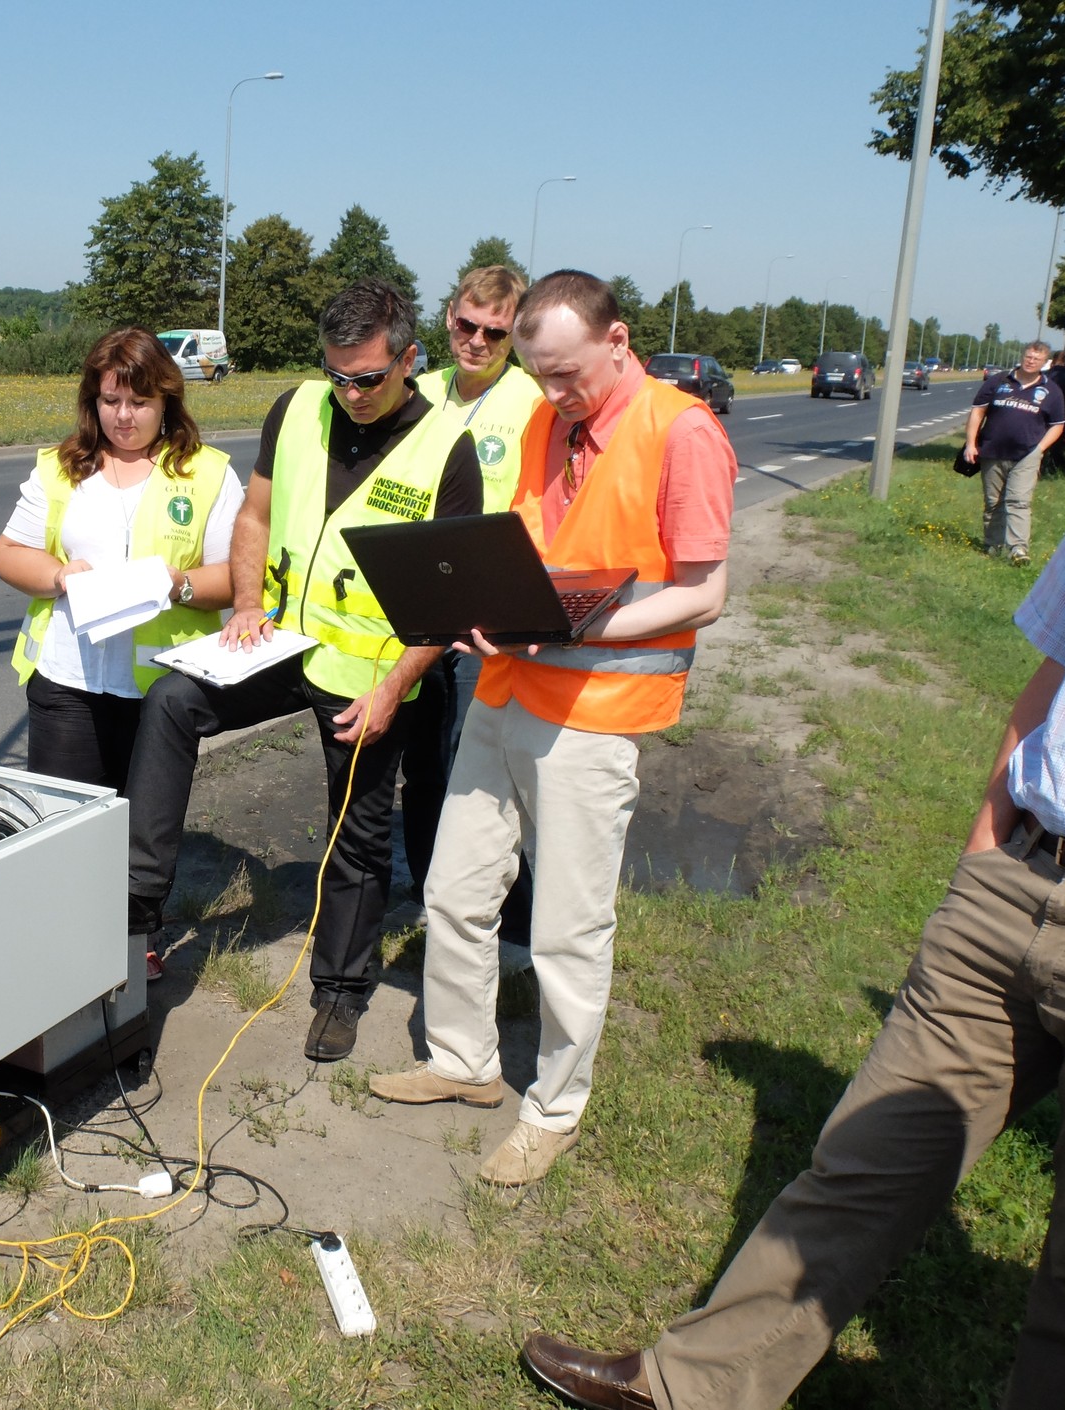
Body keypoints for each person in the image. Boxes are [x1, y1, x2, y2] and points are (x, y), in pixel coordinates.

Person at [519, 259, 1065, 1410]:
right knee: (857, 1168)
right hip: (1015, 877)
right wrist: (991, 835)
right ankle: (694, 1387)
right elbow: (1055, 658)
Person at [368, 270, 736, 1186]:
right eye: (540, 375)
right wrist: (479, 594)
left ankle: (556, 1108)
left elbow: (706, 590)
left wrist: (585, 626)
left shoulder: (681, 431)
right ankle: (462, 1063)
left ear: (618, 341)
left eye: (568, 374)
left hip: (596, 711)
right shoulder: (544, 416)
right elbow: (533, 541)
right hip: (506, 683)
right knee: (454, 887)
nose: (556, 393)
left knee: (569, 926)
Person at [123, 278, 480, 1061]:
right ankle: (136, 906)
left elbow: (447, 605)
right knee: (174, 700)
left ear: (409, 360)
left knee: (356, 832)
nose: (349, 393)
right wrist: (246, 603)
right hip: (280, 641)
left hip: (372, 672)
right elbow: (253, 514)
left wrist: (395, 687)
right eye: (337, 374)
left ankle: (341, 993)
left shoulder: (445, 450)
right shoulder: (294, 409)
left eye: (368, 378)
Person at [0, 328, 242, 975]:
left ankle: (138, 946)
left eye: (138, 402)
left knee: (143, 836)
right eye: (109, 401)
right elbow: (8, 552)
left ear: (166, 401)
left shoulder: (207, 472)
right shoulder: (59, 466)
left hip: (160, 690)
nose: (123, 416)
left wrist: (179, 583)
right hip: (69, 679)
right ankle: (68, 955)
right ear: (92, 401)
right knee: (69, 828)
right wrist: (57, 575)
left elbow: (239, 577)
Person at [398, 265, 544, 932]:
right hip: (415, 611)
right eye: (466, 324)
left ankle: (507, 910)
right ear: (449, 315)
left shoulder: (532, 404)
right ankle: (430, 890)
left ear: (514, 336)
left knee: (478, 768)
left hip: (483, 623)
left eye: (495, 331)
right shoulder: (417, 391)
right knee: (423, 765)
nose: (477, 341)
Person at [963, 340, 1065, 567]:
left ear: (1045, 362)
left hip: (1027, 453)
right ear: (1022, 357)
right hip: (992, 450)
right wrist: (971, 443)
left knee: (1018, 501)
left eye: (1037, 359)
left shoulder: (1051, 390)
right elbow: (977, 412)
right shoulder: (999, 381)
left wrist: (1040, 449)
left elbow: (1058, 424)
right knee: (993, 502)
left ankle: (1018, 549)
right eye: (1028, 357)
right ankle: (993, 544)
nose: (1031, 361)